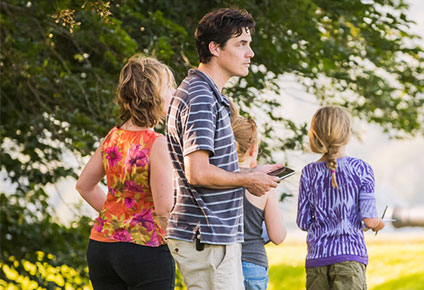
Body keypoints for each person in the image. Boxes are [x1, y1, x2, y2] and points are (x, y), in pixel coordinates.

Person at [164, 8, 282, 290]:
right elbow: (198, 173)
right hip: (207, 237)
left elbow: (203, 168)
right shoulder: (201, 97)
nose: (250, 53)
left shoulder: (205, 94)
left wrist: (250, 172)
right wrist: (248, 178)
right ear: (214, 48)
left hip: (211, 238)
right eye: (241, 44)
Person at [76, 55, 176, 290]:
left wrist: (119, 218)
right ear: (154, 95)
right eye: (169, 86)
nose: (174, 91)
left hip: (102, 248)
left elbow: (84, 186)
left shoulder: (113, 136)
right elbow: (163, 209)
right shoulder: (156, 142)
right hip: (144, 251)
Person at [297, 106, 385, 290]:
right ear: (347, 133)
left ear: (315, 135)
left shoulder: (308, 173)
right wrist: (378, 224)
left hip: (316, 261)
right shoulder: (361, 169)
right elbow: (369, 220)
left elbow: (303, 222)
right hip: (350, 258)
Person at [230, 114, 287, 290]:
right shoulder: (264, 186)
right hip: (253, 264)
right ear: (253, 149)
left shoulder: (217, 179)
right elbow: (277, 236)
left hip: (224, 263)